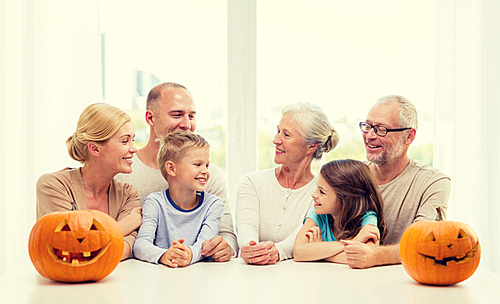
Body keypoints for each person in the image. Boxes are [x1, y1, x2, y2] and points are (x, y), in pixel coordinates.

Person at [116, 82, 237, 262]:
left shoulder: (210, 175)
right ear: (150, 118)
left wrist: (226, 248)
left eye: (192, 116)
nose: (187, 124)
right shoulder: (122, 173)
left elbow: (227, 235)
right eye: (177, 115)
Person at [341, 95, 451, 269]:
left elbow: (424, 243)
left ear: (409, 136)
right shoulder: (351, 175)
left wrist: (374, 256)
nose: (369, 136)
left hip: (407, 284)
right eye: (367, 126)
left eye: (381, 129)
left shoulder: (434, 182)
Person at [236, 103, 340, 264]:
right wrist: (251, 248)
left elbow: (301, 235)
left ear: (311, 146)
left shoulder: (322, 194)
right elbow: (246, 227)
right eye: (278, 131)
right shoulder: (252, 182)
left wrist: (278, 251)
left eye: (286, 135)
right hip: (250, 274)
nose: (275, 140)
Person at [36, 103, 142, 260]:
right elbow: (67, 251)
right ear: (95, 149)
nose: (134, 149)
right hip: (63, 283)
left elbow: (125, 249)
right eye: (125, 141)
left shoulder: (128, 194)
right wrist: (127, 224)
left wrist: (88, 242)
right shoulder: (53, 185)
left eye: (133, 140)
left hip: (113, 281)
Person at [133, 131, 224, 267]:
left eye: (207, 165)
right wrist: (164, 255)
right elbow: (140, 245)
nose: (205, 171)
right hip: (160, 276)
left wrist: (188, 254)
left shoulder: (213, 204)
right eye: (198, 164)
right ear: (171, 168)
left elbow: (205, 244)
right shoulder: (154, 202)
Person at [293, 159, 387, 263]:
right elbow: (298, 252)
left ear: (345, 200)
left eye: (321, 192)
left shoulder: (368, 218)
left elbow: (366, 256)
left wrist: (318, 252)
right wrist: (354, 241)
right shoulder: (318, 214)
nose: (313, 194)